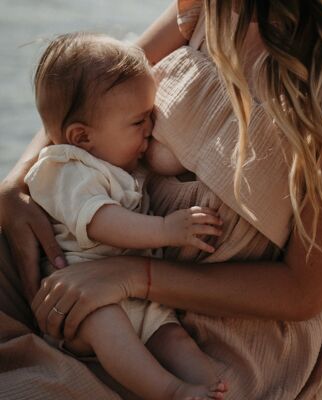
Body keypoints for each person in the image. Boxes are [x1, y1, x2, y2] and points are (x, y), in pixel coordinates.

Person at [0, 1, 322, 399]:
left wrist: (132, 276)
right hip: (90, 256)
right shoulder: (214, 7)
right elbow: (92, 87)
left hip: (210, 341)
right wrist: (16, 183)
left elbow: (303, 291)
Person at [24, 31, 227, 400]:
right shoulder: (66, 169)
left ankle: (214, 387)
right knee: (111, 329)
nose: (149, 130)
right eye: (138, 123)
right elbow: (103, 222)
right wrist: (167, 229)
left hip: (131, 293)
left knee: (172, 336)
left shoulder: (115, 164)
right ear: (82, 137)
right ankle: (170, 391)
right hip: (83, 303)